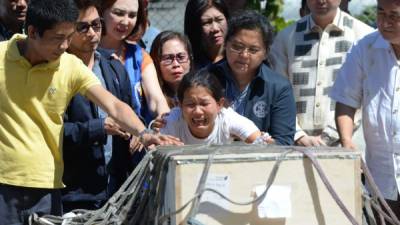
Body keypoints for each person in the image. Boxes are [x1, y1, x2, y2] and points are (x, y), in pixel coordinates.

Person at [0, 0, 181, 224]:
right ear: (33, 32)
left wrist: (143, 132)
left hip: (47, 186)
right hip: (4, 184)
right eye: (58, 38)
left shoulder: (69, 66)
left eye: (69, 37)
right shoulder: (1, 57)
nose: (65, 46)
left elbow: (114, 105)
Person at [330, 0, 400, 221]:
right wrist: (347, 141)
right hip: (381, 177)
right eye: (381, 13)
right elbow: (346, 100)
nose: (385, 22)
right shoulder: (364, 48)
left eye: (394, 15)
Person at [61, 0, 133, 212]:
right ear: (67, 30)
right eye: (83, 27)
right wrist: (98, 128)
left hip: (116, 190)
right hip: (75, 194)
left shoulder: (113, 68)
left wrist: (139, 132)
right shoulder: (55, 74)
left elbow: (128, 112)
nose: (92, 33)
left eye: (97, 24)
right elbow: (52, 131)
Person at [270, 0, 373, 147]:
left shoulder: (364, 36)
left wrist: (329, 136)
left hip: (349, 146)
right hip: (297, 147)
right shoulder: (286, 38)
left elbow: (364, 95)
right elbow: (277, 93)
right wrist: (298, 135)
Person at [210, 10, 296, 145]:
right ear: (225, 44)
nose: (244, 55)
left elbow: (284, 143)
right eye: (237, 47)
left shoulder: (279, 87)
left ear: (266, 53)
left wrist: (261, 142)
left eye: (253, 50)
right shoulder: (206, 79)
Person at [99, 0, 169, 125]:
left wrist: (164, 117)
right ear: (101, 11)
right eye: (119, 13)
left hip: (136, 137)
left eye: (132, 15)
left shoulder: (139, 55)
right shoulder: (85, 53)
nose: (126, 22)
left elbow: (156, 99)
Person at [160, 69, 271, 145]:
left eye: (204, 104)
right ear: (180, 105)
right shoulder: (171, 122)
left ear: (220, 104)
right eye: (190, 104)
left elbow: (262, 143)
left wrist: (264, 142)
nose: (198, 111)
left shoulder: (227, 119)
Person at [150, 31, 193, 108]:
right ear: (156, 62)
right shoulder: (150, 97)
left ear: (190, 59)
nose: (176, 64)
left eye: (181, 57)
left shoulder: (203, 91)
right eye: (168, 58)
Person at [184, 0, 229, 69]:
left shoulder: (237, 57)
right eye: (206, 23)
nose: (215, 28)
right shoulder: (188, 63)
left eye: (219, 19)